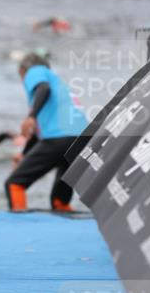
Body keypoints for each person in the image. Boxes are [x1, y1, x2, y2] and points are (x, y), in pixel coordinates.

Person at [5, 52, 88, 212]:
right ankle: (65, 215)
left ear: (23, 71)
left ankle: (17, 225)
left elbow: (44, 88)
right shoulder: (60, 87)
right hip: (82, 140)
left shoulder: (35, 71)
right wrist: (24, 155)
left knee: (14, 184)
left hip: (60, 138)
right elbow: (38, 133)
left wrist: (31, 116)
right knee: (58, 199)